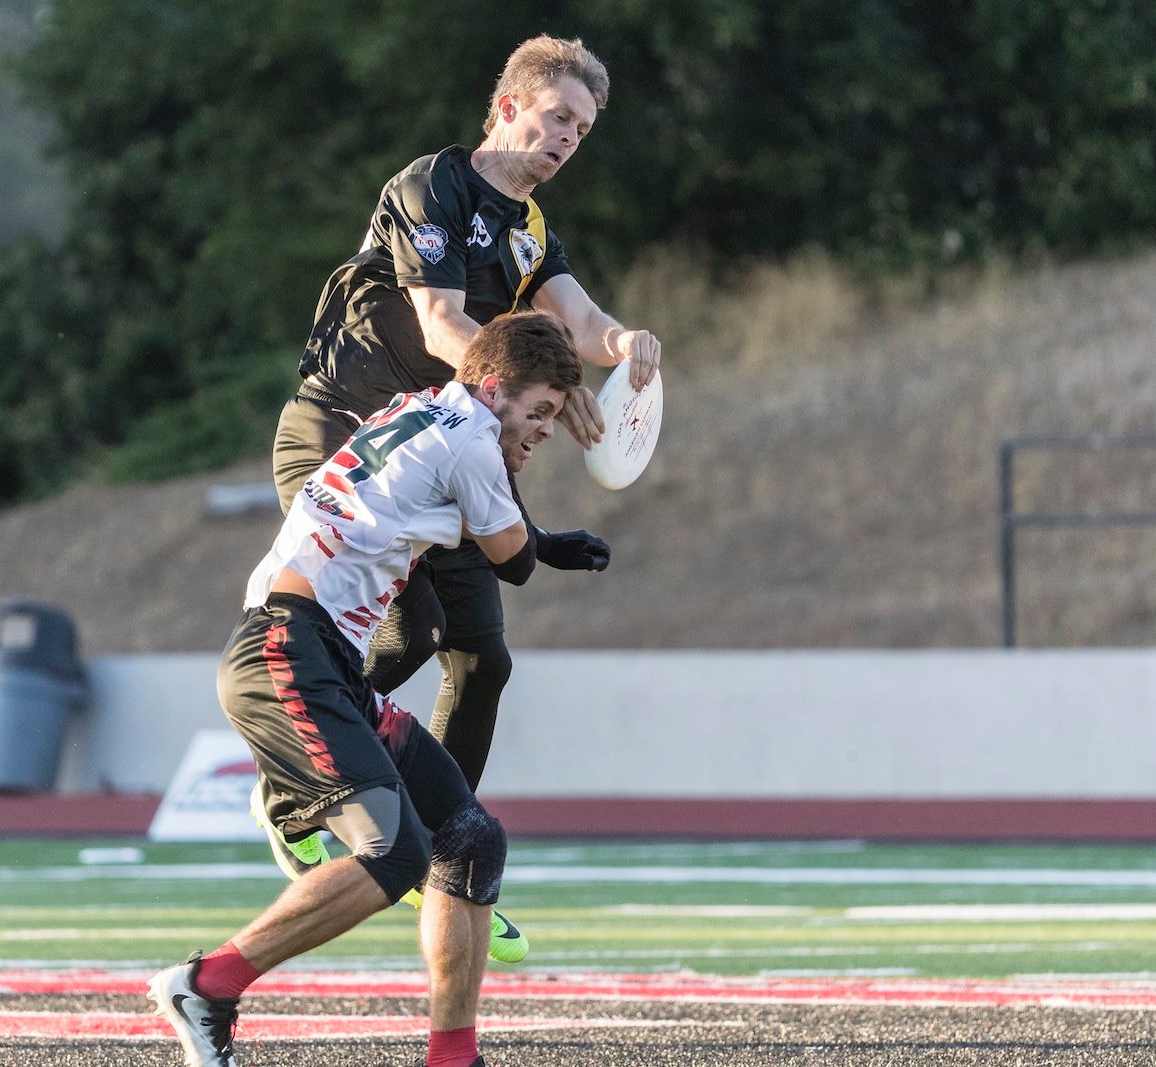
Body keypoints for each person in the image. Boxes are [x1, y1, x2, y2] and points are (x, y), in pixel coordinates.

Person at [265, 32, 659, 954]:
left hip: (442, 452)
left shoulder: (531, 230)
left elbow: (580, 317)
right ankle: (296, 780)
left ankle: (452, 856)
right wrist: (542, 382)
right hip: (346, 434)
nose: (567, 139)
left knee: (482, 659)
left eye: (582, 130)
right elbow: (444, 324)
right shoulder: (432, 187)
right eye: (557, 117)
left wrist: (621, 346)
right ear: (508, 107)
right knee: (410, 630)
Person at [152, 312, 582, 1067]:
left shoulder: (421, 409)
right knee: (394, 854)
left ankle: (453, 1058)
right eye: (540, 411)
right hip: (287, 649)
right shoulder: (473, 438)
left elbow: (441, 513)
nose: (545, 430)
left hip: (318, 655)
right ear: (492, 389)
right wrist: (540, 541)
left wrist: (537, 535)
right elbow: (512, 559)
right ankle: (206, 985)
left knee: (470, 839)